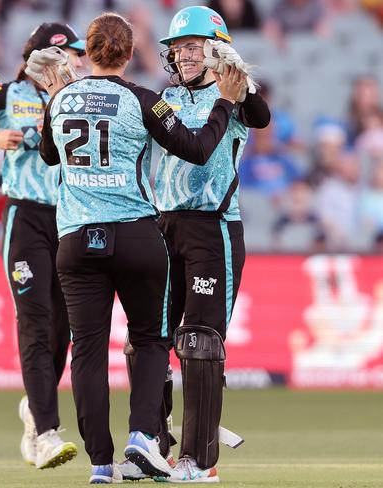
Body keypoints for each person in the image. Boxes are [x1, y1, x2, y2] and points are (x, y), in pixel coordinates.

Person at [38, 12, 245, 484]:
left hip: (74, 239)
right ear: (131, 54)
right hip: (136, 233)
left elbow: (49, 154)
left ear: (88, 53)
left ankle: (101, 464)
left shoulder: (62, 97)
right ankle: (144, 439)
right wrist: (225, 106)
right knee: (151, 339)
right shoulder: (146, 99)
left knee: (88, 350)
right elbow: (194, 148)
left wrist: (57, 100)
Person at [0, 22, 86, 470]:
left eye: (76, 55)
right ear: (39, 57)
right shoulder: (9, 94)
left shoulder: (77, 95)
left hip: (69, 217)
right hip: (25, 216)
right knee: (35, 319)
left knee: (63, 328)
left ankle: (34, 406)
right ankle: (45, 431)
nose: (74, 62)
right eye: (67, 54)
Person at [147, 6, 270, 483]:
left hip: (213, 228)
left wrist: (237, 77)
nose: (184, 56)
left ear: (216, 47)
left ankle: (199, 460)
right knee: (149, 340)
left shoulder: (234, 95)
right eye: (178, 48)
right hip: (163, 224)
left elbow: (260, 116)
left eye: (194, 46)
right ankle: (151, 448)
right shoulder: (163, 98)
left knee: (199, 341)